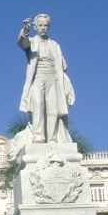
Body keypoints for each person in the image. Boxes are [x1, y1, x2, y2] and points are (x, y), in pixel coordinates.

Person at [16, 14, 75, 145]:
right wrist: (25, 30)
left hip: (52, 79)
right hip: (38, 77)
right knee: (38, 106)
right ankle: (39, 136)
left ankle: (52, 138)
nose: (43, 28)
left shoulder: (54, 45)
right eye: (40, 25)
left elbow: (63, 65)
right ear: (35, 27)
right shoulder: (32, 42)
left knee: (53, 108)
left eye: (45, 25)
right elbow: (22, 43)